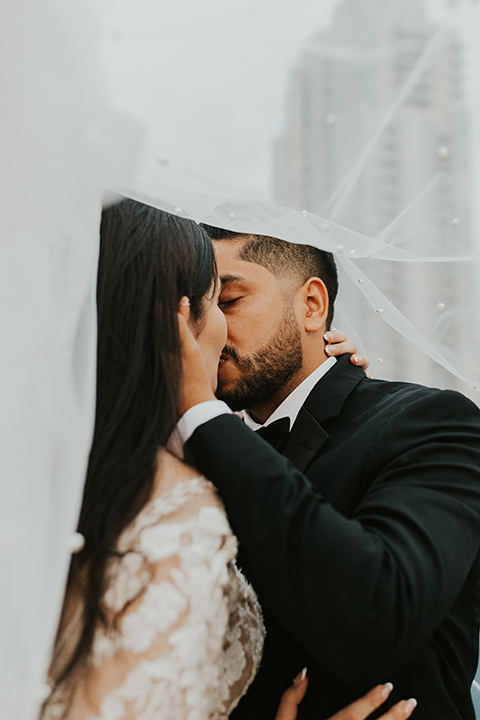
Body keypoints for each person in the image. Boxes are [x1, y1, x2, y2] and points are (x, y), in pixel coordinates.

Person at [41, 198, 415, 720]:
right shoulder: (175, 497)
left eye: (231, 299)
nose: (218, 328)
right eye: (213, 300)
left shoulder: (67, 462)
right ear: (166, 321)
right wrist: (200, 410)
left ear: (312, 307)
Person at [176, 226, 480, 720]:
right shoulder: (190, 452)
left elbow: (381, 611)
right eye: (195, 308)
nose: (206, 329)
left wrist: (200, 411)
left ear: (312, 306)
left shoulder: (431, 420)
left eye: (228, 300)